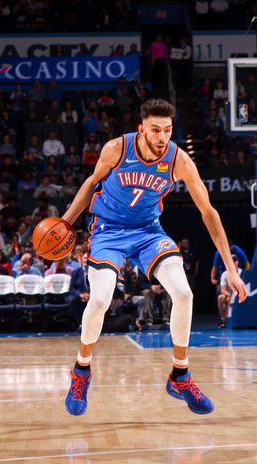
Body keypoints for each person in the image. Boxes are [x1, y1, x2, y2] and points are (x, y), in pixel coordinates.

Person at [60, 99, 247, 417]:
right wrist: (65, 223)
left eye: (168, 130)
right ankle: (82, 371)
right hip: (108, 230)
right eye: (156, 130)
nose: (162, 137)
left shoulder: (179, 160)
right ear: (141, 129)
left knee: (184, 293)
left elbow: (209, 213)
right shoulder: (116, 149)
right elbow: (92, 183)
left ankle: (180, 376)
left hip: (148, 232)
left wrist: (232, 270)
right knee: (102, 299)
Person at [217, 256, 242, 328]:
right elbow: (222, 290)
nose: (233, 263)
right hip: (229, 294)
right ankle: (224, 320)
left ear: (237, 262)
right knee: (220, 297)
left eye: (235, 260)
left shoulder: (242, 273)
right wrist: (231, 295)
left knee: (229, 299)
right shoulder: (224, 274)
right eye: (232, 261)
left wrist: (235, 295)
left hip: (239, 294)